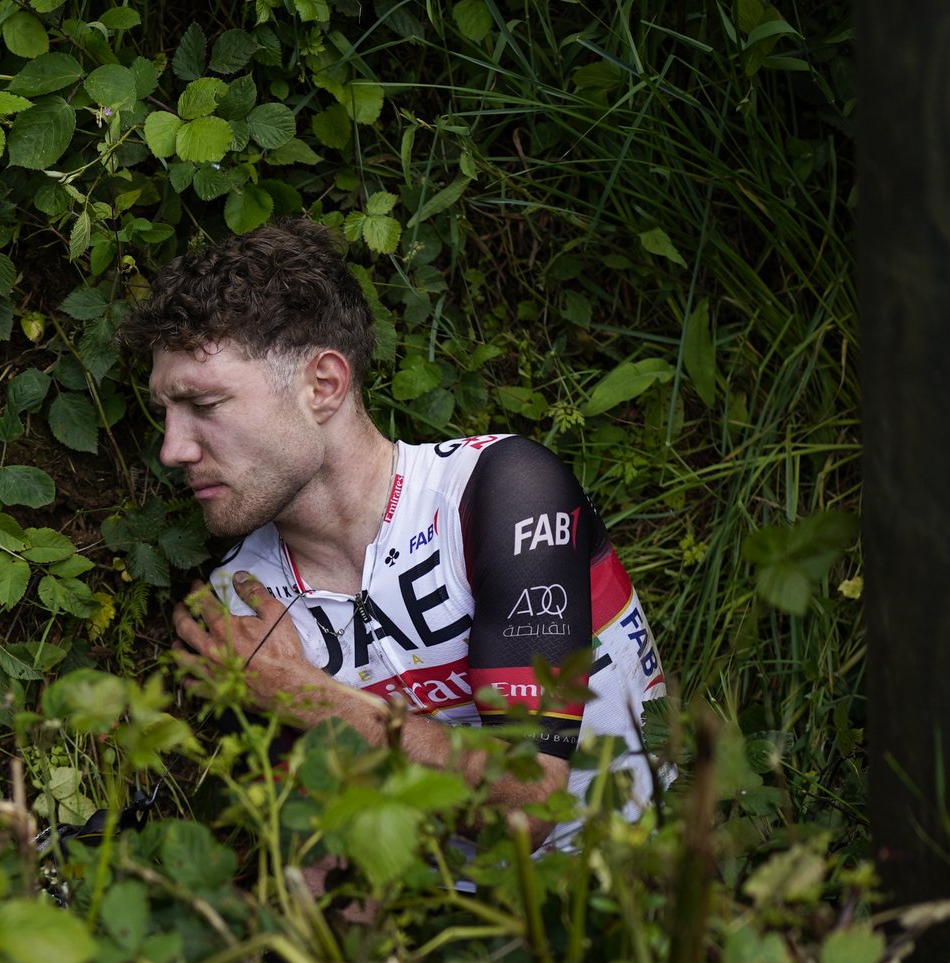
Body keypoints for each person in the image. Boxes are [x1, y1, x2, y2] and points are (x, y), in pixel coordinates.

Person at [123, 218, 666, 852]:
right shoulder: (243, 602)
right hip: (433, 930)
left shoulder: (497, 490)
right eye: (166, 412)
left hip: (638, 894)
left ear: (323, 385)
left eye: (206, 406)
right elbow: (325, 855)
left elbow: (530, 803)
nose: (172, 449)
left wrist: (303, 696)